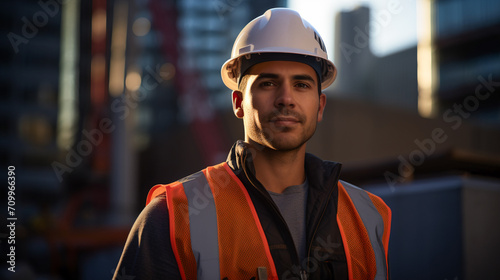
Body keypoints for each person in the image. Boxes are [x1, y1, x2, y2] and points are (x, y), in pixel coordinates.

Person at [113, 8, 391, 280]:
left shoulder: (367, 216)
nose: (286, 98)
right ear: (238, 103)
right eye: (268, 83)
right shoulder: (173, 216)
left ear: (320, 106)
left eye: (302, 85)